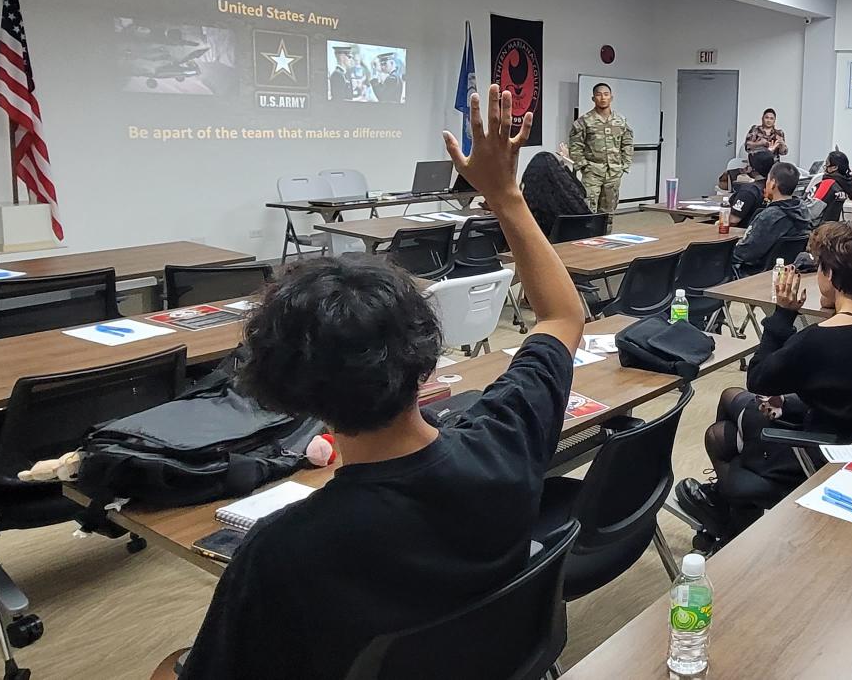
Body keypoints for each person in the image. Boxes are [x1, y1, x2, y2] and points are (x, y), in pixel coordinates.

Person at [178, 86, 584, 680]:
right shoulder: (506, 441)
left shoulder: (279, 553)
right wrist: (505, 196)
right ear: (425, 356)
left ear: (288, 392)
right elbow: (562, 317)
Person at [676, 221, 852, 538]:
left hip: (820, 450)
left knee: (718, 434)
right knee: (729, 399)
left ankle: (730, 520)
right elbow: (843, 390)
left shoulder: (819, 339)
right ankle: (725, 505)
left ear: (831, 275)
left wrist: (783, 313)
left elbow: (757, 379)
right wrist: (785, 401)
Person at [730, 162, 813, 276]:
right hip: (786, 271)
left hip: (755, 273)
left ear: (773, 183)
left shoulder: (769, 216)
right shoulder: (804, 210)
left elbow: (745, 253)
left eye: (768, 180)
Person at [565, 82, 634, 213]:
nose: (603, 98)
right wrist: (584, 166)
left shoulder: (620, 120)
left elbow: (627, 143)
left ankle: (606, 234)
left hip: (613, 173)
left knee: (608, 212)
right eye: (599, 95)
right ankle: (590, 234)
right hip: (592, 173)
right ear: (593, 98)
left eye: (606, 94)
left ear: (611, 98)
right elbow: (575, 146)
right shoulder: (584, 121)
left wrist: (624, 165)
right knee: (588, 210)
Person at [517, 151, 591, 237]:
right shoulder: (571, 205)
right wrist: (568, 167)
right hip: (578, 247)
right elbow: (579, 191)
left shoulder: (532, 211)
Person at [726, 149, 774, 228]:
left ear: (753, 168)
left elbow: (733, 221)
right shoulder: (774, 187)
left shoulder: (748, 191)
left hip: (743, 234)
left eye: (748, 164)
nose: (745, 167)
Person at [811, 150, 852, 222]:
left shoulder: (827, 183)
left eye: (827, 164)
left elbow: (812, 212)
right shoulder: (847, 184)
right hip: (833, 227)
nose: (825, 167)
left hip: (818, 228)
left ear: (834, 167)